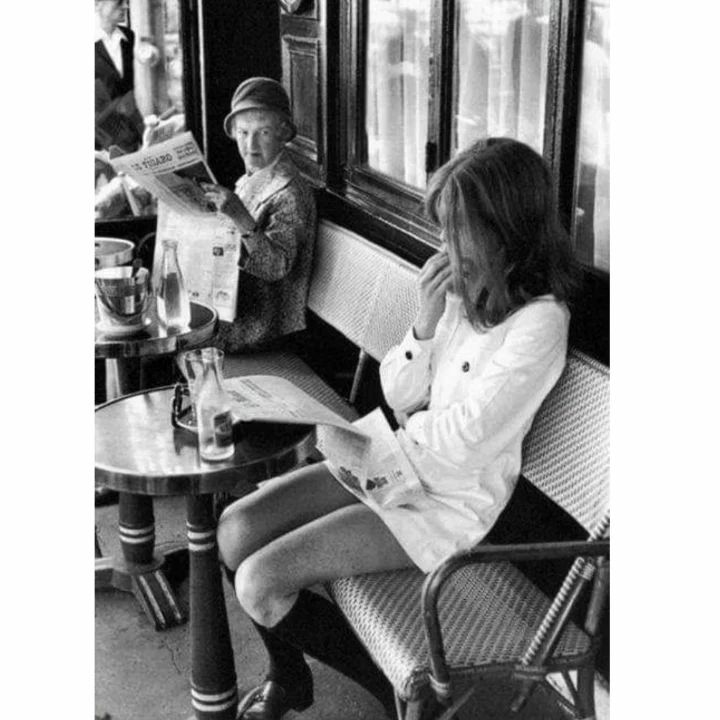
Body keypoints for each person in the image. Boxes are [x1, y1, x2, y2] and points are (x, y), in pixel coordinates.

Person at [216, 137, 579, 719]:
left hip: (445, 504)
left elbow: (465, 444)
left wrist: (400, 434)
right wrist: (425, 323)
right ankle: (290, 679)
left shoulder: (540, 323)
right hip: (394, 464)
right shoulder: (466, 293)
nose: (445, 246)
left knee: (260, 581)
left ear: (505, 229)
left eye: (457, 231)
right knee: (234, 529)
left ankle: (395, 695)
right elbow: (399, 395)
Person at [200, 77, 317, 353]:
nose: (251, 144)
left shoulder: (289, 192)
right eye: (243, 133)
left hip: (264, 327)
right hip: (239, 307)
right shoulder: (252, 178)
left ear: (282, 133)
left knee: (179, 338)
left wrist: (239, 216)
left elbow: (275, 267)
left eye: (262, 133)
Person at [95, 0, 143, 153]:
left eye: (126, 2)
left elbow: (126, 89)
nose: (125, 6)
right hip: (99, 137)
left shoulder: (128, 36)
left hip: (127, 133)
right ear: (97, 4)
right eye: (118, 2)